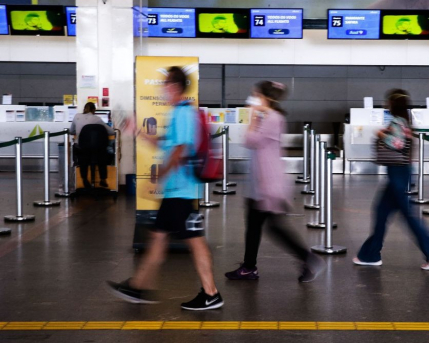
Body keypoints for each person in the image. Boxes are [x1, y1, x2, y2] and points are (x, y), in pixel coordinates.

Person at [106, 66, 224, 311]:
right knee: (161, 238)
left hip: (180, 190)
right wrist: (137, 131)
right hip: (177, 191)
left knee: (193, 241)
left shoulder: (182, 113)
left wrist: (158, 177)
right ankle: (138, 286)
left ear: (174, 87)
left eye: (165, 85)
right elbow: (167, 144)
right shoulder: (177, 113)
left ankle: (210, 293)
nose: (162, 90)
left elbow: (180, 150)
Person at [225, 81, 325, 283]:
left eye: (254, 94)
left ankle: (308, 259)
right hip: (260, 181)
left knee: (274, 227)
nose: (251, 97)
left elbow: (250, 140)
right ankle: (249, 267)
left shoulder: (271, 118)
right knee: (256, 225)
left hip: (267, 183)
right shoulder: (269, 116)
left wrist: (253, 116)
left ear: (262, 96)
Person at [353, 89, 429, 271]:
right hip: (400, 172)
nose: (385, 105)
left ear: (393, 104)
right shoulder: (406, 122)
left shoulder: (397, 121)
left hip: (398, 173)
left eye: (387, 102)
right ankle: (370, 254)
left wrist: (381, 134)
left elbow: (397, 143)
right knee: (381, 211)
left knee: (407, 214)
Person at [70, 102, 114, 188]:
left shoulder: (76, 116)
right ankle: (103, 179)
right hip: (97, 150)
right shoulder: (97, 119)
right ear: (94, 110)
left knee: (83, 159)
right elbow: (111, 132)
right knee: (103, 154)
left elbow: (71, 131)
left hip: (81, 149)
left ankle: (84, 179)